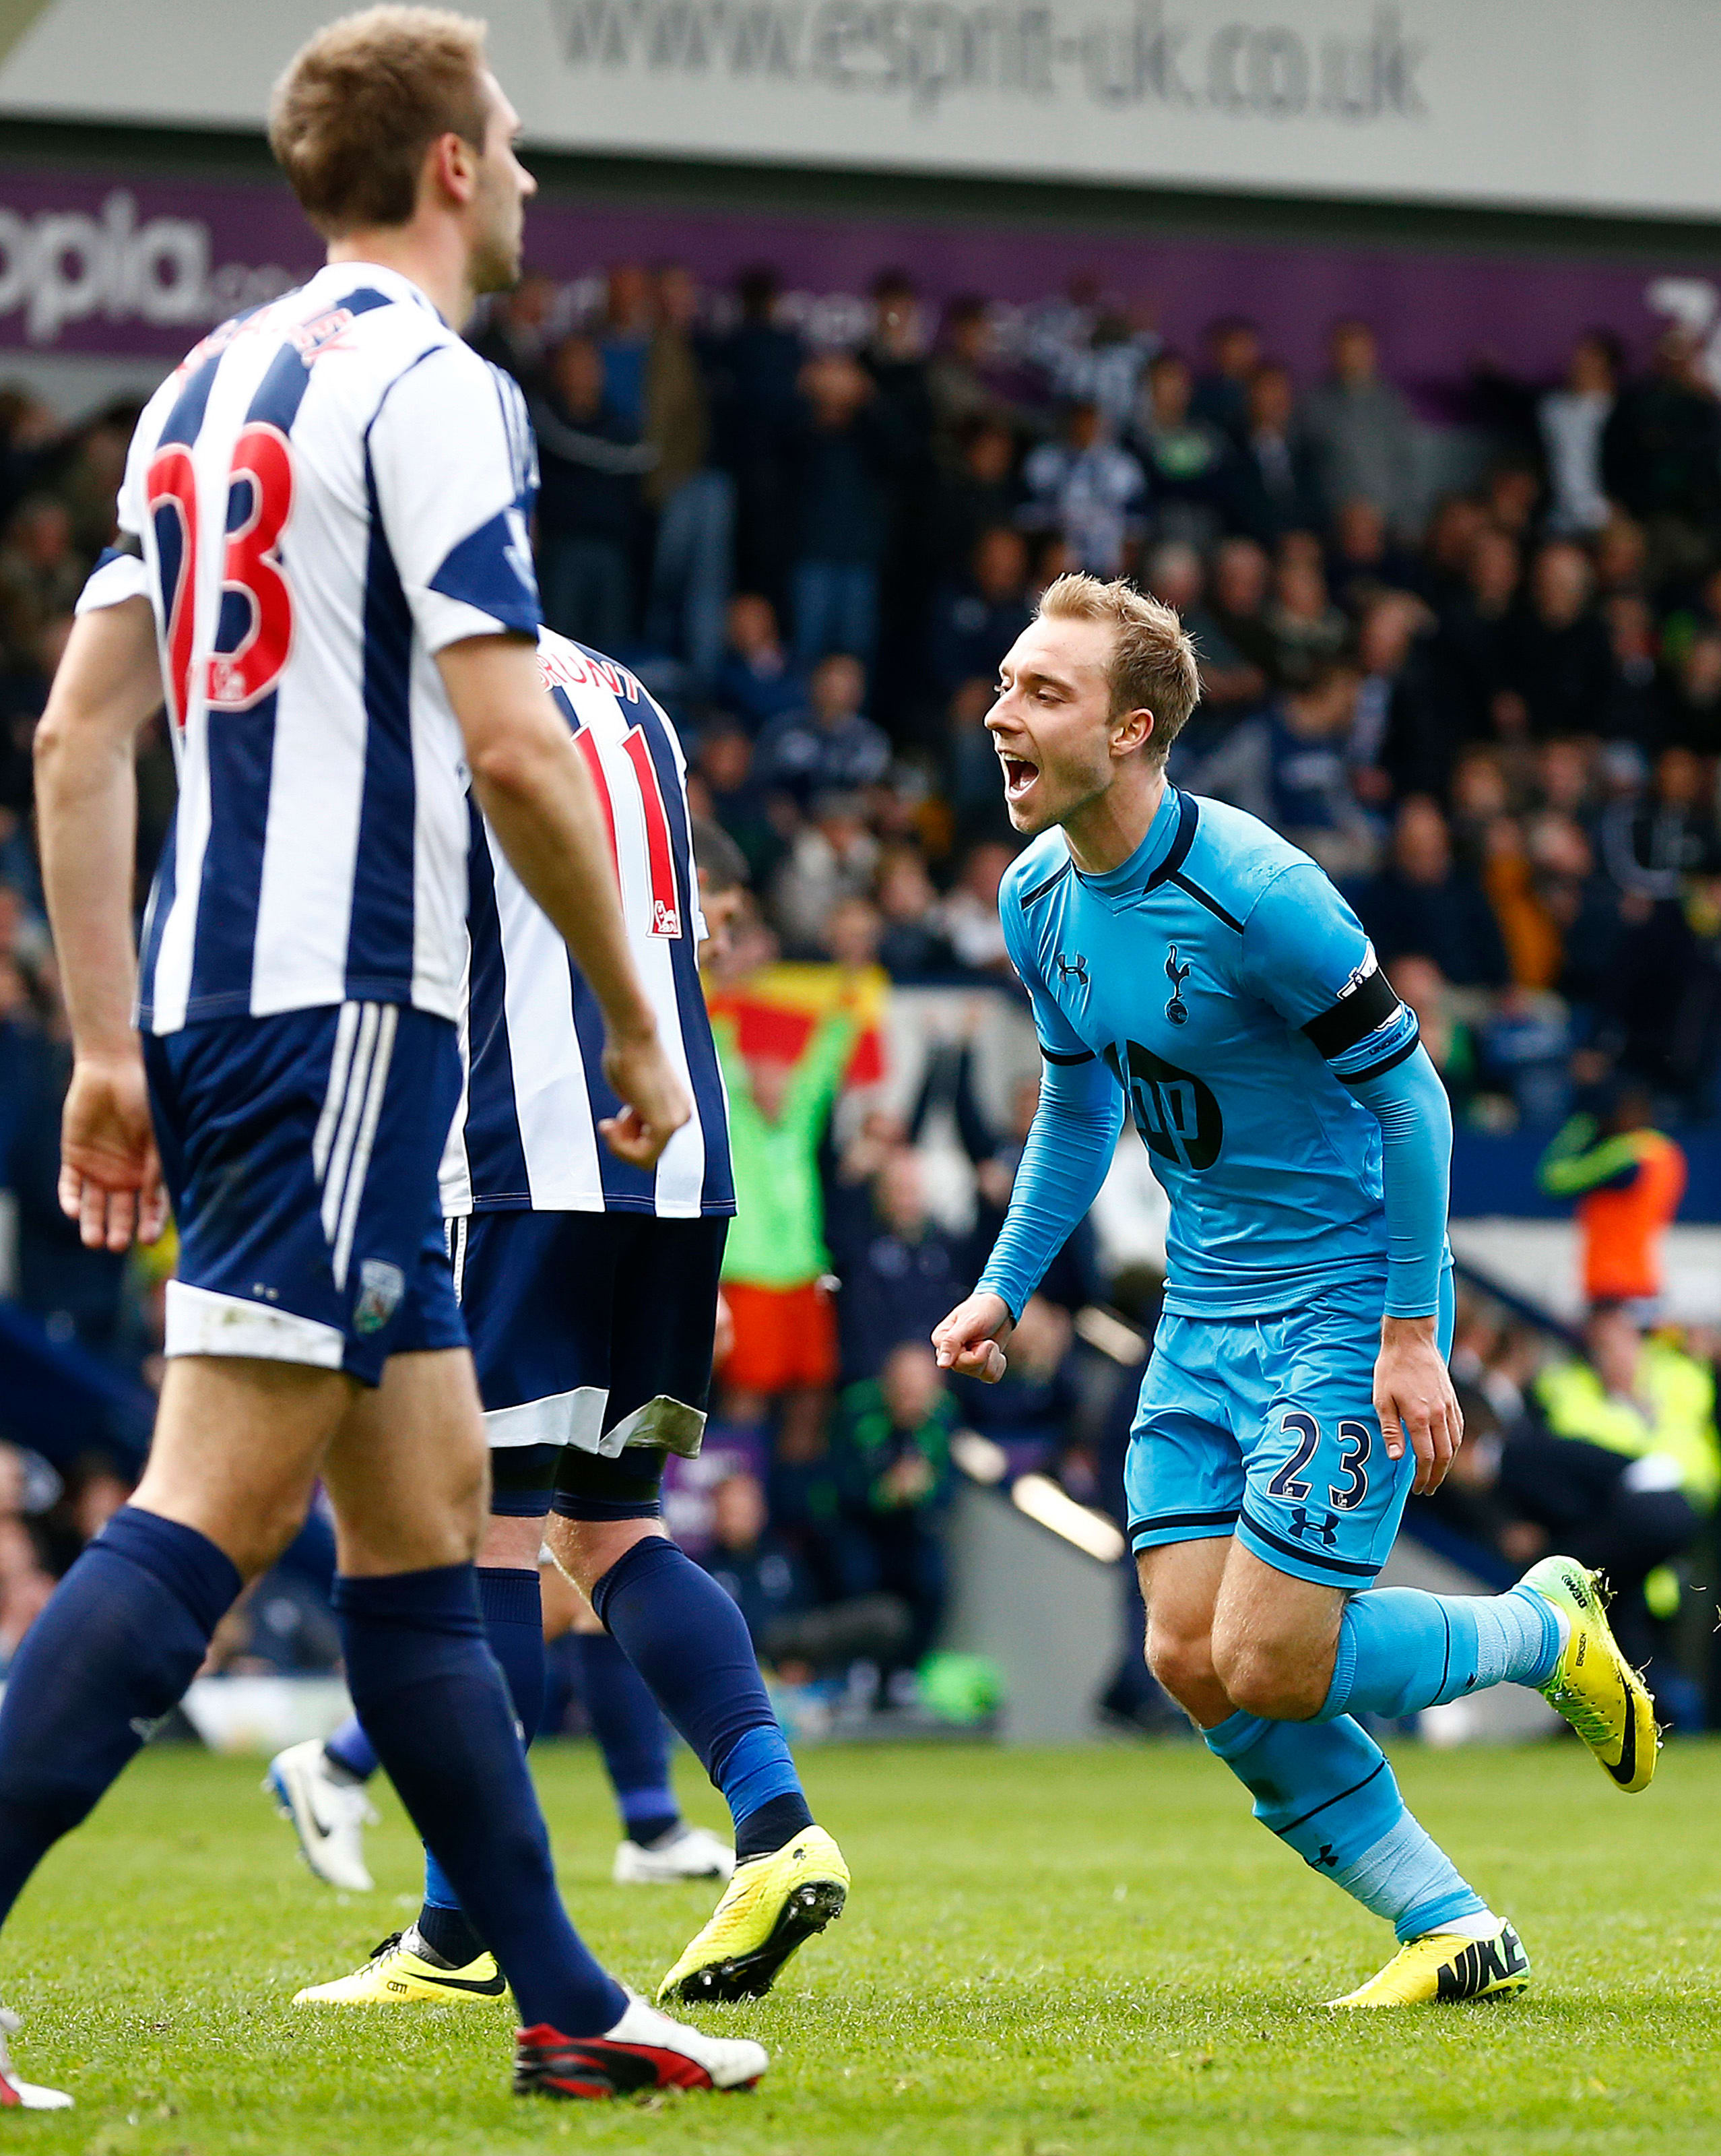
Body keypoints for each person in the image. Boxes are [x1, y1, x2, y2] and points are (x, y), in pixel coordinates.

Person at [0, 6, 767, 2107]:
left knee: (429, 1532)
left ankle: (563, 2004)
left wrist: (105, 1044)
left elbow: (76, 739)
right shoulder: (434, 386)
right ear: (445, 165)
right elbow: (515, 745)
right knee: (208, 1510)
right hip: (342, 1013)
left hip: (245, 1011)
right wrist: (634, 1013)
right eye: (508, 141)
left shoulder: (194, 390)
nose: (525, 176)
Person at [933, 571, 1654, 2012]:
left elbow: (1417, 1104)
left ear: (1132, 731)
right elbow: (1079, 1105)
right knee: (1191, 1656)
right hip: (1203, 1309)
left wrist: (1412, 1334)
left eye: (1042, 692)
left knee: (1271, 1657)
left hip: (1344, 1301)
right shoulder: (1035, 900)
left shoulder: (1259, 894)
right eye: (1007, 683)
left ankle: (1544, 1630)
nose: (1001, 713)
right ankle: (1449, 1925)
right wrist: (1005, 1286)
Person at [287, 632, 847, 2008]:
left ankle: (457, 1933)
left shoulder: (428, 678)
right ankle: (776, 1826)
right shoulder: (628, 687)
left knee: (483, 1538)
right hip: (677, 1154)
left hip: (528, 1151)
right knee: (607, 1530)